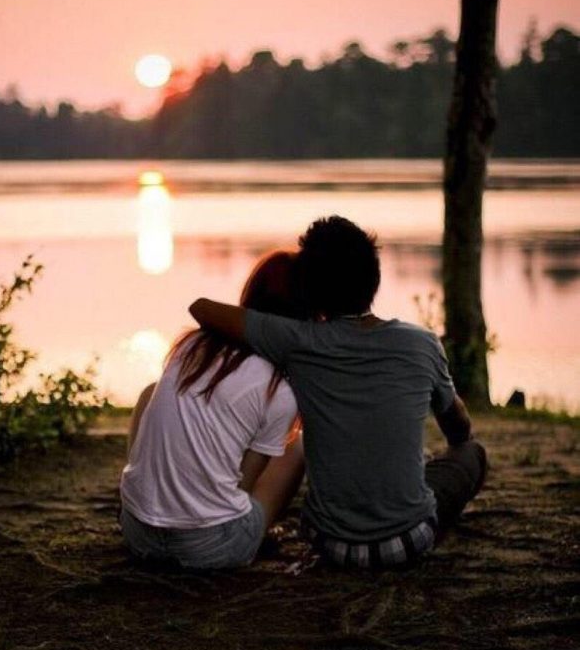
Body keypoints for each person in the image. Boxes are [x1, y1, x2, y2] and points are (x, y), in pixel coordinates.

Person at [189, 215, 487, 569]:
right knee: (471, 453)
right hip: (407, 542)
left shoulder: (297, 341)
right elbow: (459, 427)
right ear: (374, 279)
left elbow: (201, 309)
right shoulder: (421, 344)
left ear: (311, 291)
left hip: (330, 546)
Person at [120, 251, 308, 570]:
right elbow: (243, 484)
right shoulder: (279, 388)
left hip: (138, 535)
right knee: (297, 446)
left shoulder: (192, 346)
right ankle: (255, 532)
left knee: (151, 392)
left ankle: (149, 497)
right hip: (211, 550)